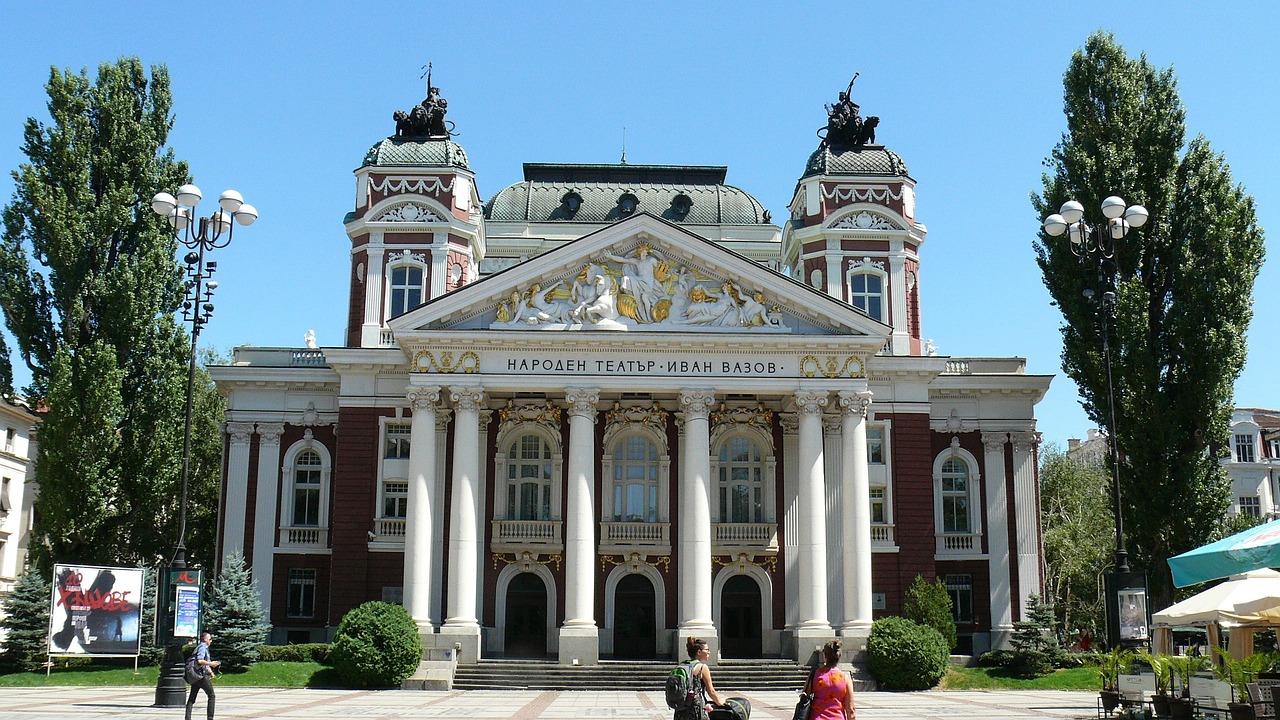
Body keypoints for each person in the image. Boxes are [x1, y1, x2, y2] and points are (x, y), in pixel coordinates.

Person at [676, 636, 725, 720]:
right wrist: (721, 703)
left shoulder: (682, 665)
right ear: (699, 652)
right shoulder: (702, 667)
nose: (709, 652)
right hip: (696, 708)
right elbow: (711, 691)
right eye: (707, 650)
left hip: (680, 708)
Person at [805, 639, 855, 720]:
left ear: (825, 656)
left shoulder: (814, 675)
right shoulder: (845, 678)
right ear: (839, 656)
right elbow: (850, 709)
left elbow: (805, 698)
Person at [186, 631, 220, 720]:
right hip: (200, 676)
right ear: (205, 639)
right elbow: (200, 661)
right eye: (210, 639)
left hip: (195, 676)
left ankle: (187, 718)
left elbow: (204, 664)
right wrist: (212, 664)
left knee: (191, 699)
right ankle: (210, 718)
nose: (211, 641)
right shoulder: (202, 647)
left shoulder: (200, 647)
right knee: (211, 695)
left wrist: (211, 672)